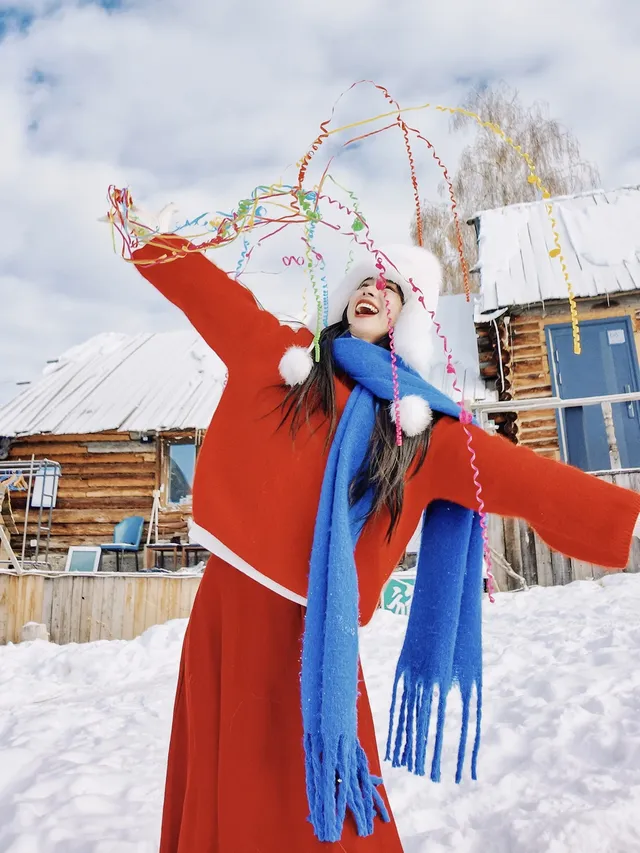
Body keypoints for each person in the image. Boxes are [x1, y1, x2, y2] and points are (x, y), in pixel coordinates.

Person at [131, 231, 640, 852]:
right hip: (226, 607)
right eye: (367, 280)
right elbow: (216, 300)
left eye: (392, 289)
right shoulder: (287, 363)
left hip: (312, 634)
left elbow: (522, 478)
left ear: (407, 317)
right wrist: (148, 241)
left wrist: (625, 517)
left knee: (311, 782)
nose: (374, 291)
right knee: (227, 770)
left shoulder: (418, 430)